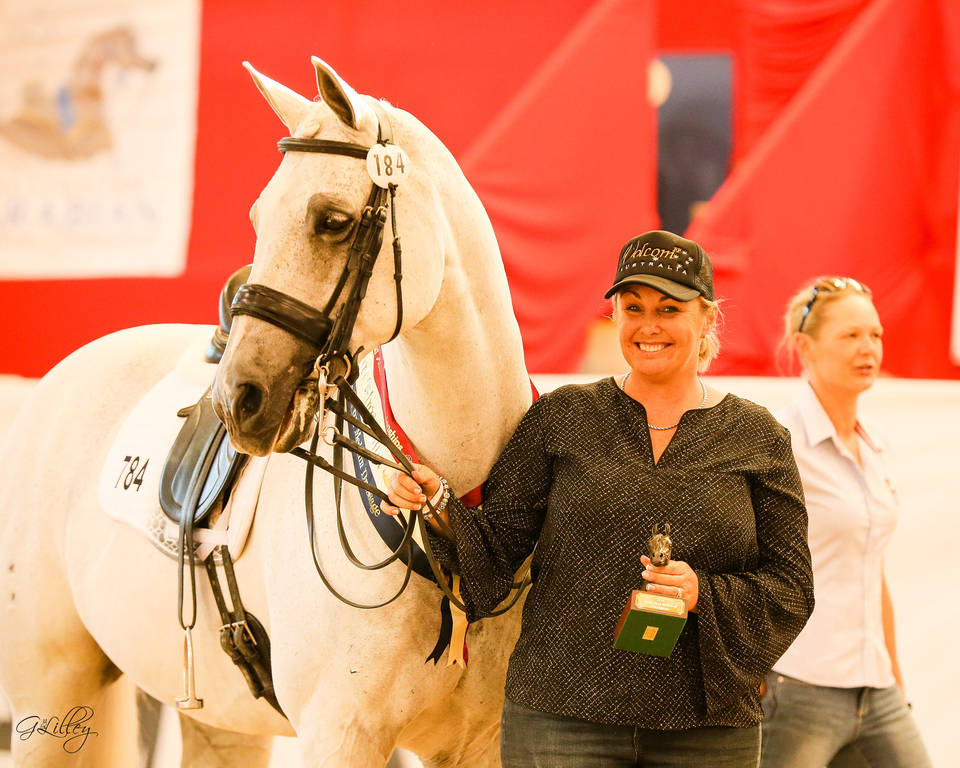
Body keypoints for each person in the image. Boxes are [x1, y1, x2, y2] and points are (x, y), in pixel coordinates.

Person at [385, 230, 814, 768]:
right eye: (632, 307)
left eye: (669, 307)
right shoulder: (562, 417)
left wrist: (702, 592)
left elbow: (793, 589)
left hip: (708, 729)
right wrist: (438, 503)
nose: (648, 325)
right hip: (560, 721)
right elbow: (492, 557)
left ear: (707, 318)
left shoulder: (757, 436)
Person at [760, 277, 932, 768]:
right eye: (850, 336)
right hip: (797, 686)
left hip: (875, 690)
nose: (868, 348)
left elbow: (871, 573)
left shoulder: (873, 448)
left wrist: (895, 681)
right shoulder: (778, 442)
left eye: (875, 335)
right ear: (805, 347)